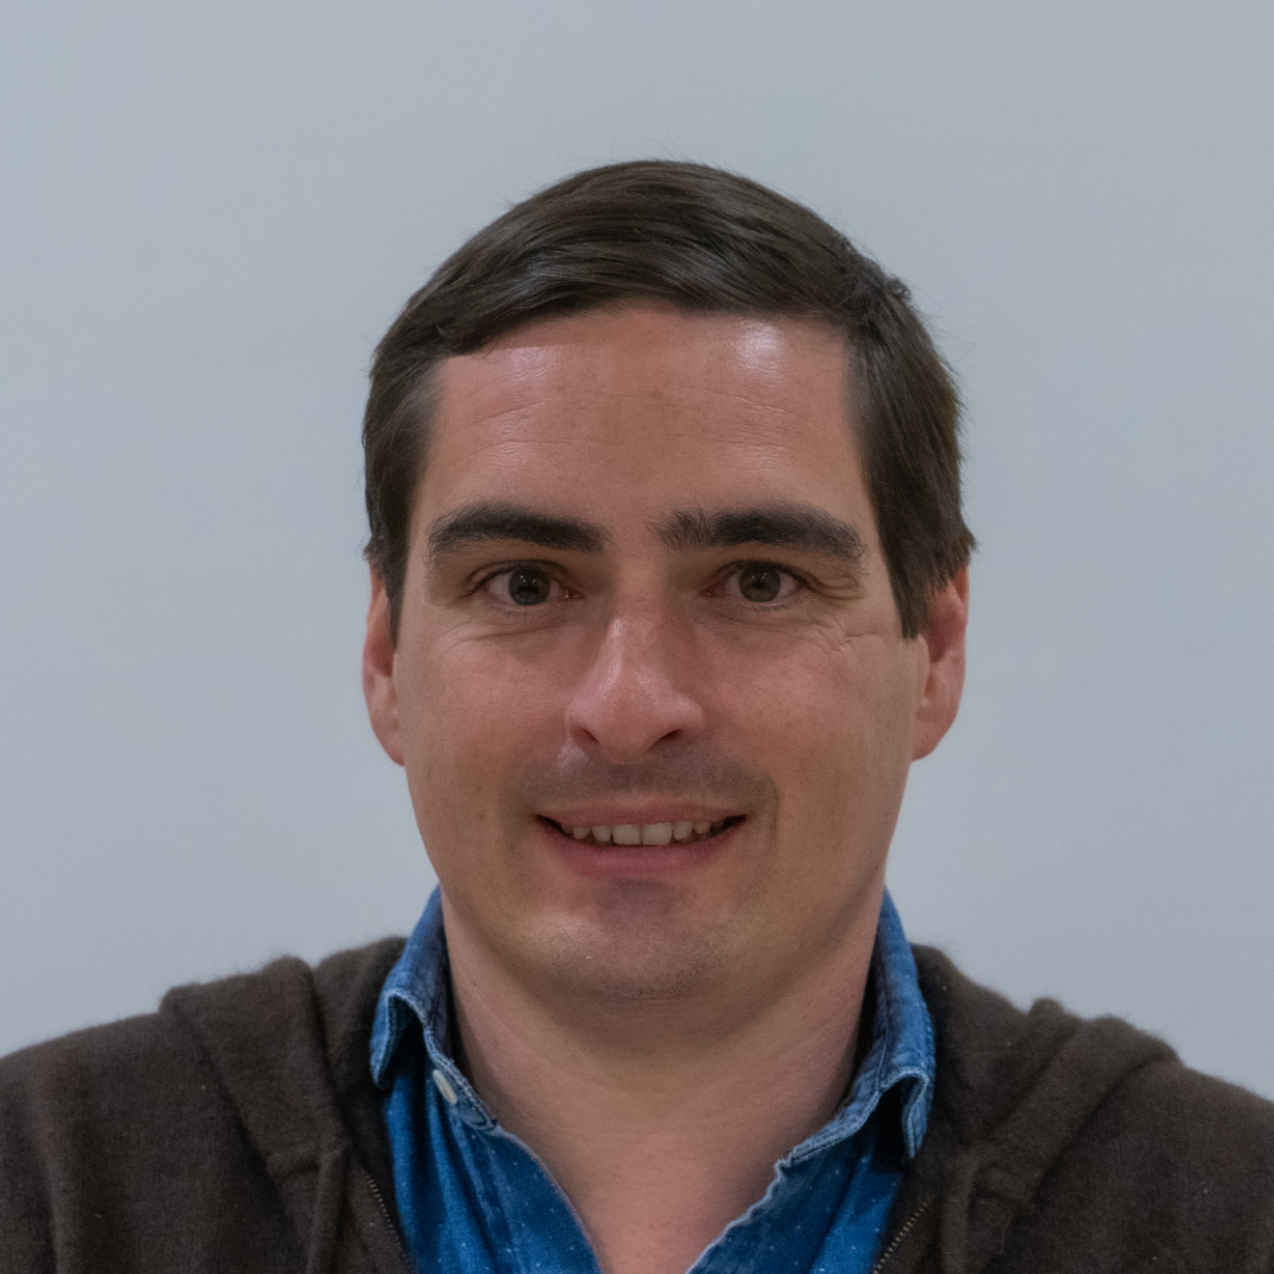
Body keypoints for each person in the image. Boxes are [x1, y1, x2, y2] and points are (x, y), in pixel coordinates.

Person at [2, 161, 1271, 1274]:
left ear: (932, 650)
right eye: (524, 583)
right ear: (387, 656)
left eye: (757, 581)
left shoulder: (1229, 1215)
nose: (626, 706)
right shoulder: (53, 1191)